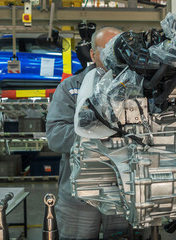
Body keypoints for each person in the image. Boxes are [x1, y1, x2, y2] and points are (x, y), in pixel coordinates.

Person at [46, 27, 129, 240]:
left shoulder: (136, 87)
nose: (113, 55)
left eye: (118, 48)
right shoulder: (71, 87)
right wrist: (102, 132)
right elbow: (55, 136)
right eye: (106, 49)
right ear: (92, 54)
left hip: (126, 193)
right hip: (79, 197)